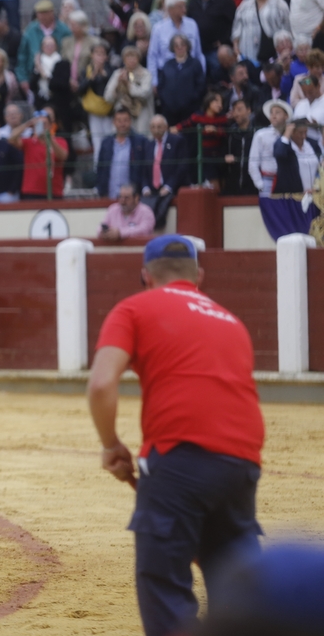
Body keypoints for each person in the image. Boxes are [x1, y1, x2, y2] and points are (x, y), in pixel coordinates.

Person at [87, 233, 264, 636]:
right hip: (242, 461)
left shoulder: (134, 307)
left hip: (179, 457)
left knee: (164, 584)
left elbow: (100, 385)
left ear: (145, 276)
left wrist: (111, 444)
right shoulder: (231, 320)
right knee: (236, 584)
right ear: (198, 276)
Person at [7, 105, 69, 199]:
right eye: (39, 124)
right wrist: (28, 124)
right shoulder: (29, 142)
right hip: (31, 191)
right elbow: (11, 138)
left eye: (44, 124)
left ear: (50, 125)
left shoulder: (60, 141)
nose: (42, 126)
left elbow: (63, 156)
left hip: (54, 191)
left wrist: (49, 138)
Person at [16, 0, 72, 99]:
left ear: (52, 13)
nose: (42, 16)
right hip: (35, 76)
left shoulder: (64, 30)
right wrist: (23, 78)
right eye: (39, 13)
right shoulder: (30, 30)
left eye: (45, 13)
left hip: (58, 78)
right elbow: (22, 56)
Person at [143, 114, 190, 228]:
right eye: (153, 127)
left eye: (159, 127)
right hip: (152, 191)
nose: (156, 130)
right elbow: (143, 169)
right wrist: (145, 187)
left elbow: (182, 166)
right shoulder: (148, 144)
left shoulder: (177, 141)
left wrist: (169, 186)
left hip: (172, 188)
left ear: (166, 127)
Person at [187, 0, 237, 79]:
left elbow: (234, 23)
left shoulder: (224, 2)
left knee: (218, 73)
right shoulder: (193, 3)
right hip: (198, 49)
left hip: (216, 49)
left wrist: (225, 41)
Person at [174, 92, 230, 185]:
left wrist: (215, 131)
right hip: (206, 156)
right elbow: (186, 124)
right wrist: (175, 128)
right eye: (217, 101)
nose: (220, 105)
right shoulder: (198, 116)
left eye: (221, 102)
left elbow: (226, 133)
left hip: (220, 155)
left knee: (224, 183)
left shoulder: (223, 118)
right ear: (209, 102)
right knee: (214, 184)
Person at [148, 0, 205, 84]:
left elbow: (198, 53)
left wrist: (202, 74)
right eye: (180, 7)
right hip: (167, 75)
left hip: (190, 73)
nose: (184, 9)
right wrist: (154, 81)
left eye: (184, 6)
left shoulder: (192, 24)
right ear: (170, 10)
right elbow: (152, 56)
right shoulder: (158, 28)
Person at [96, 108, 149, 200]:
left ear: (130, 121)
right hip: (110, 195)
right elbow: (100, 169)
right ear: (114, 122)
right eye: (119, 121)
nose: (122, 124)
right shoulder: (106, 143)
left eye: (125, 120)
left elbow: (145, 169)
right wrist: (101, 190)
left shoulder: (140, 142)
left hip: (132, 198)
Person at [158, 35, 207, 128]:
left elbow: (200, 85)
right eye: (176, 45)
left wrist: (191, 99)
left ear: (187, 46)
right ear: (173, 48)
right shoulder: (167, 65)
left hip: (189, 111)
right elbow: (161, 85)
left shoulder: (195, 63)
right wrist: (166, 102)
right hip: (169, 111)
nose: (179, 47)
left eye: (182, 44)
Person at [80, 42, 117, 163]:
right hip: (94, 111)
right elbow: (81, 90)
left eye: (102, 54)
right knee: (97, 141)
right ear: (92, 55)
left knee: (110, 139)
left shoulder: (111, 69)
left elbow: (113, 88)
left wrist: (104, 75)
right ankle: (98, 170)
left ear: (106, 56)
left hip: (109, 111)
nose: (100, 57)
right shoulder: (86, 70)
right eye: (97, 53)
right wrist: (92, 76)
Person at [105, 47, 154, 135]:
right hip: (123, 113)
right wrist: (117, 86)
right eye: (128, 57)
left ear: (138, 59)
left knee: (142, 138)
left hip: (142, 113)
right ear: (123, 60)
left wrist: (128, 85)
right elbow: (108, 97)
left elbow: (145, 93)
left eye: (134, 57)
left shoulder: (146, 74)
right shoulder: (117, 74)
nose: (131, 60)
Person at [248, 99, 291, 194]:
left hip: (287, 181)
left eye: (278, 112)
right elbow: (253, 162)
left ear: (286, 116)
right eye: (271, 113)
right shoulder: (261, 135)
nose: (274, 115)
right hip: (267, 180)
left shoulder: (291, 135)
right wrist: (260, 185)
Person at [272, 117, 321, 195]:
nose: (303, 136)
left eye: (305, 132)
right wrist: (286, 134)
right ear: (292, 132)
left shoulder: (312, 144)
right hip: (293, 194)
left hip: (313, 192)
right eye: (300, 133)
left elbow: (320, 164)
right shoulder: (284, 145)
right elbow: (279, 154)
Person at [223, 97, 258, 195]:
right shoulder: (229, 132)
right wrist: (225, 157)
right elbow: (223, 153)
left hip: (253, 185)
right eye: (234, 110)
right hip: (233, 183)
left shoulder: (257, 133)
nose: (236, 113)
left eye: (239, 109)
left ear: (249, 110)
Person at [61, 10, 99, 81]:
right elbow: (63, 63)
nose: (71, 28)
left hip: (87, 80)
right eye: (70, 25)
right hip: (68, 81)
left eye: (74, 25)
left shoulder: (94, 42)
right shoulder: (66, 42)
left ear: (83, 25)